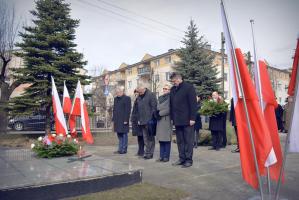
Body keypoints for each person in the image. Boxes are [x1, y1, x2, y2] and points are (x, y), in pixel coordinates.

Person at [170, 73, 197, 168]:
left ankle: (189, 160)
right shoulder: (173, 89)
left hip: (187, 120)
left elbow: (193, 104)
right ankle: (181, 158)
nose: (173, 83)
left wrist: (192, 118)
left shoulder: (189, 87)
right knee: (180, 141)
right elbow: (171, 105)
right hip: (177, 120)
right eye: (172, 82)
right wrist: (172, 118)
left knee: (188, 141)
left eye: (174, 81)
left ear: (179, 79)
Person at [136, 82, 157, 159]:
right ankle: (147, 152)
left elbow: (154, 107)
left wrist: (150, 118)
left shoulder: (151, 95)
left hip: (149, 121)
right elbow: (138, 109)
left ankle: (150, 153)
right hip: (142, 121)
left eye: (140, 91)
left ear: (144, 88)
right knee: (145, 138)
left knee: (150, 138)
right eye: (138, 91)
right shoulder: (139, 97)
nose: (139, 92)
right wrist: (139, 119)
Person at [112, 86, 131, 154]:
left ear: (122, 92)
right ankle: (120, 149)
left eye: (119, 92)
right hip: (117, 120)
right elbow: (114, 109)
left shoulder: (127, 98)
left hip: (123, 120)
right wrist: (113, 119)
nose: (117, 93)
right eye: (117, 92)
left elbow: (127, 110)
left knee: (124, 135)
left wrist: (126, 119)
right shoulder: (116, 99)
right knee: (119, 135)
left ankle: (124, 149)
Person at [156, 84, 172, 162]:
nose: (165, 90)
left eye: (166, 89)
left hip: (166, 120)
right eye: (164, 88)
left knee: (166, 140)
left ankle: (166, 157)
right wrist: (158, 111)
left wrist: (159, 113)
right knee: (161, 140)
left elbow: (169, 109)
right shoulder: (160, 97)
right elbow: (157, 107)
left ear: (169, 90)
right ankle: (161, 156)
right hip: (159, 121)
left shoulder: (171, 97)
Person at [131, 89, 144, 157]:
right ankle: (140, 151)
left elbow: (140, 110)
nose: (136, 94)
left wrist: (139, 119)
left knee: (142, 136)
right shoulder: (136, 100)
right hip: (136, 121)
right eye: (135, 93)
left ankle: (142, 151)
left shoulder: (140, 100)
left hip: (140, 121)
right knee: (139, 137)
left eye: (137, 93)